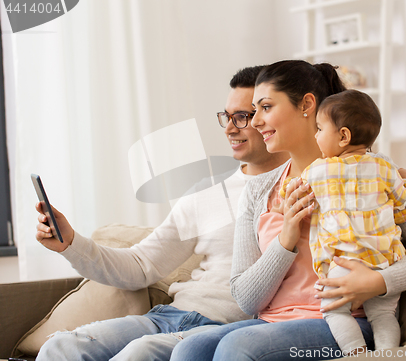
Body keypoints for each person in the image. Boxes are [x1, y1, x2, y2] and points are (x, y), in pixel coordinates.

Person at [170, 60, 406, 361]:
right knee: (190, 349)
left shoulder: (368, 171)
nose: (255, 122)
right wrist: (286, 240)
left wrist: (378, 282)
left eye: (266, 108)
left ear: (307, 106)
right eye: (254, 110)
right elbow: (246, 299)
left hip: (346, 323)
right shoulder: (260, 191)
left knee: (238, 347)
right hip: (272, 323)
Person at [34, 66, 291, 361]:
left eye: (242, 117)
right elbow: (142, 265)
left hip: (230, 328)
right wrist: (71, 243)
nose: (230, 128)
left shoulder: (303, 184)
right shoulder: (206, 192)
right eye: (227, 117)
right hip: (168, 317)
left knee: (139, 354)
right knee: (60, 348)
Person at [300, 89, 406, 355]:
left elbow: (291, 194)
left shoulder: (317, 171)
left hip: (344, 264)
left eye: (319, 129)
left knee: (334, 311)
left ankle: (357, 354)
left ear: (343, 136)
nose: (315, 136)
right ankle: (388, 354)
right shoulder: (385, 168)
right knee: (385, 315)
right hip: (384, 263)